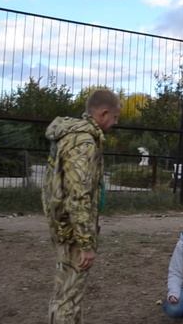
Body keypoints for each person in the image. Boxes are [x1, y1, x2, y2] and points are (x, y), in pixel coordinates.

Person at [42, 88, 121, 324]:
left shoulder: (71, 135)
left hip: (64, 225)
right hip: (74, 232)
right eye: (115, 117)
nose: (115, 123)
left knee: (68, 292)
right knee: (67, 297)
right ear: (104, 113)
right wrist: (86, 243)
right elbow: (78, 195)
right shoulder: (84, 143)